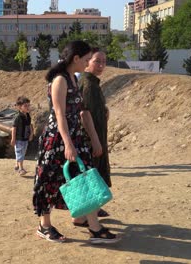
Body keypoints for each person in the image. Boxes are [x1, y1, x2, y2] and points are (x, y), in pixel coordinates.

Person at [33, 40, 120, 244]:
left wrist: (95, 140)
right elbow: (59, 115)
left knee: (85, 178)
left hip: (75, 136)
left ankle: (94, 227)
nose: (89, 62)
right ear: (76, 58)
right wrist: (68, 144)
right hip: (56, 139)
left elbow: (83, 112)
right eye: (88, 59)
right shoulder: (60, 80)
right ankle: (44, 226)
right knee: (48, 180)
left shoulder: (73, 78)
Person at [72, 49, 111, 227]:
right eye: (97, 61)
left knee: (92, 176)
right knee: (89, 176)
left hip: (95, 136)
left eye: (104, 61)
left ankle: (90, 211)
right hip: (89, 139)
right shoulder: (87, 83)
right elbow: (83, 113)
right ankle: (81, 216)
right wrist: (95, 140)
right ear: (88, 62)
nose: (101, 65)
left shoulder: (92, 82)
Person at [11, 96, 34, 175]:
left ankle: (17, 164)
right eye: (25, 106)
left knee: (23, 152)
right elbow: (14, 128)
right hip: (19, 138)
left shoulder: (28, 116)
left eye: (28, 105)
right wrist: (13, 139)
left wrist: (31, 134)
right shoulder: (18, 117)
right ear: (20, 107)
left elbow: (30, 125)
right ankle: (21, 168)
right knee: (19, 152)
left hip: (25, 138)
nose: (28, 107)